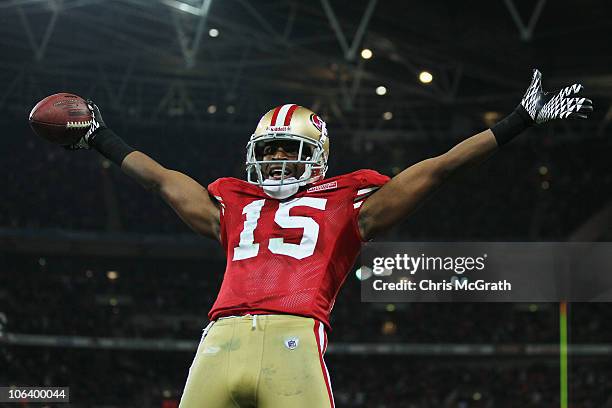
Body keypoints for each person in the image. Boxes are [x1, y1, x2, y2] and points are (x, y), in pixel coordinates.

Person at [66, 69, 591, 407]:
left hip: (277, 340)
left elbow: (436, 170)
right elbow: (163, 180)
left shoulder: (349, 204)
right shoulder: (238, 202)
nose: (274, 159)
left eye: (285, 149)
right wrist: (98, 137)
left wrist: (517, 120)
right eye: (268, 150)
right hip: (225, 339)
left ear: (316, 155)